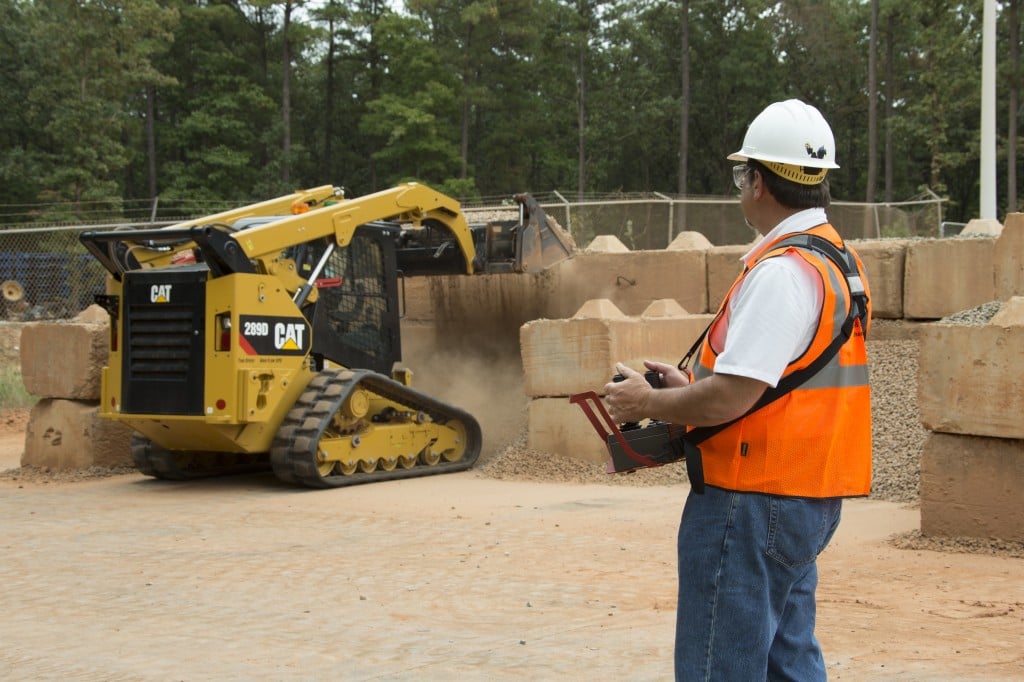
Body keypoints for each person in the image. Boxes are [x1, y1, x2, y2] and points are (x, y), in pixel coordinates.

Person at [603, 99, 872, 681]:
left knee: (719, 668)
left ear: (757, 182)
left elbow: (730, 398)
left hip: (751, 501)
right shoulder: (835, 261)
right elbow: (784, 382)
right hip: (806, 492)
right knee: (786, 661)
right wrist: (688, 387)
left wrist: (647, 402)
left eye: (740, 176)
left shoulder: (781, 271)